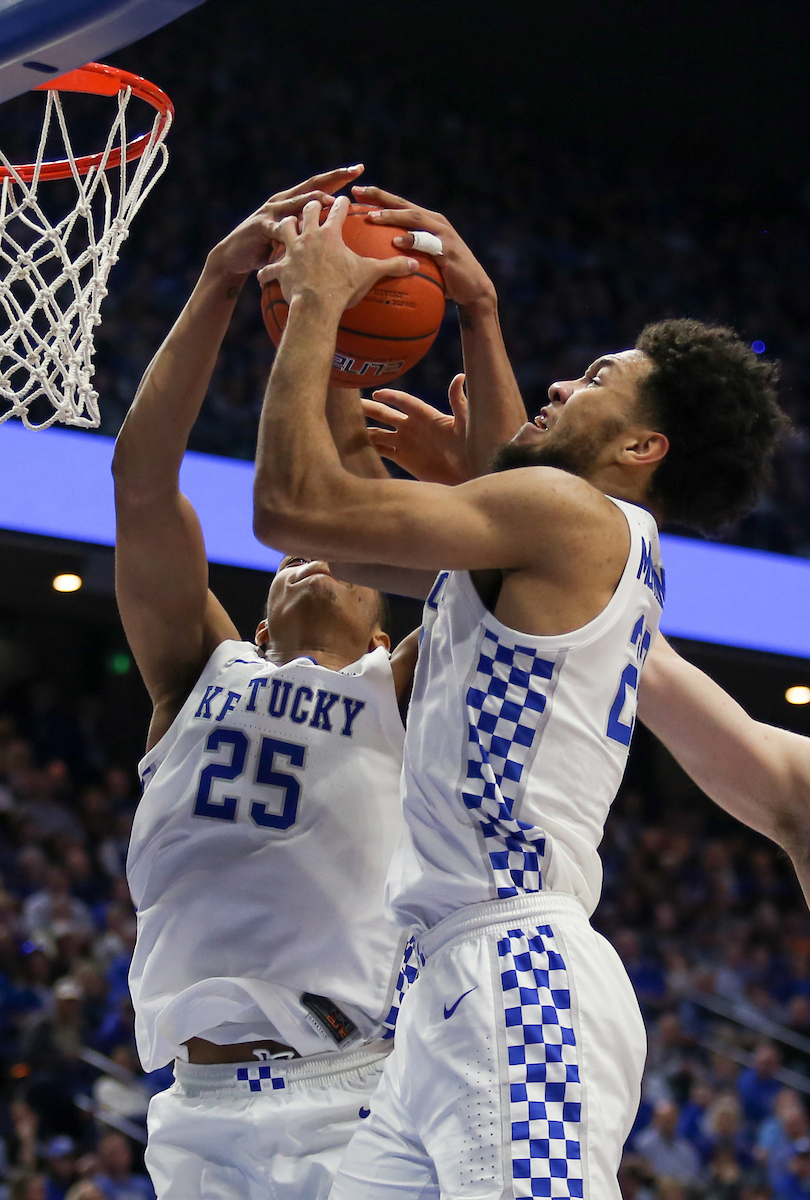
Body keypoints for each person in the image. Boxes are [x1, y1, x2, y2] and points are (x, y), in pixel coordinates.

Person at [251, 187, 785, 1199]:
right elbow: (502, 479)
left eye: (596, 378)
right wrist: (478, 311)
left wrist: (317, 305)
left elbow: (291, 507)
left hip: (516, 969)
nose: (559, 383)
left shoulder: (574, 518)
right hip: (443, 987)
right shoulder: (570, 536)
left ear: (641, 448)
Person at [112, 169, 417, 1200]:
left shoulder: (403, 692)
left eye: (352, 554)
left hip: (353, 1095)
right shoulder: (197, 675)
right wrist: (215, 282)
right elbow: (142, 484)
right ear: (254, 617)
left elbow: (504, 588)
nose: (317, 556)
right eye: (289, 560)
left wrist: (351, 350)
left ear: (391, 618)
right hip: (195, 1115)